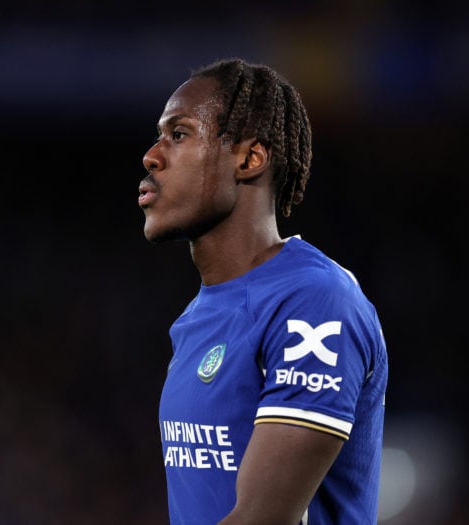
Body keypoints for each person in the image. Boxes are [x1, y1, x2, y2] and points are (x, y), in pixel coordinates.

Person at [138, 57, 388, 524]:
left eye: (179, 134)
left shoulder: (314, 302)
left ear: (249, 158)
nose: (152, 156)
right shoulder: (196, 319)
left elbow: (260, 518)